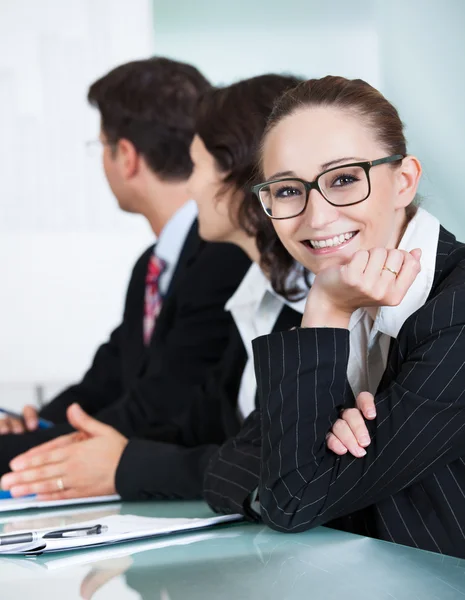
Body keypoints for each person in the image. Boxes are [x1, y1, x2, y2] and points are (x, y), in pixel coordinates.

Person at [0, 73, 303, 502]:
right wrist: (39, 427)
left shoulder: (241, 269)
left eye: (197, 167)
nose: (191, 186)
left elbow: (264, 456)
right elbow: (120, 382)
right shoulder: (242, 287)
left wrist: (119, 463)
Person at [204, 76, 465, 559]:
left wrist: (326, 308)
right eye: (286, 190)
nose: (317, 217)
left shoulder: (456, 311)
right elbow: (226, 466)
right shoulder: (339, 297)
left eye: (344, 178)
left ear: (404, 180)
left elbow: (295, 499)